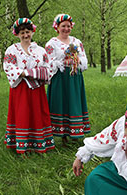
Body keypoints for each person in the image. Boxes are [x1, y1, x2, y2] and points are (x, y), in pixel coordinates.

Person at [3, 18, 54, 154]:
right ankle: (22, 146)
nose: (26, 35)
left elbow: (48, 69)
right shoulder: (12, 50)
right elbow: (9, 67)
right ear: (17, 34)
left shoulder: (40, 51)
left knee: (37, 114)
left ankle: (39, 145)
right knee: (22, 114)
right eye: (22, 33)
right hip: (20, 89)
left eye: (28, 32)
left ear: (32, 32)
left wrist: (28, 73)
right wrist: (28, 73)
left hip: (37, 89)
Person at [45, 14, 90, 145]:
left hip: (74, 77)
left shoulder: (76, 42)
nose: (66, 28)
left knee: (74, 102)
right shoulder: (51, 43)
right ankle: (62, 133)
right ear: (57, 27)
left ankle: (75, 132)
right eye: (63, 26)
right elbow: (47, 62)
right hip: (60, 78)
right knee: (61, 103)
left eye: (68, 26)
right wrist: (62, 62)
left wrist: (76, 60)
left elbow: (84, 60)